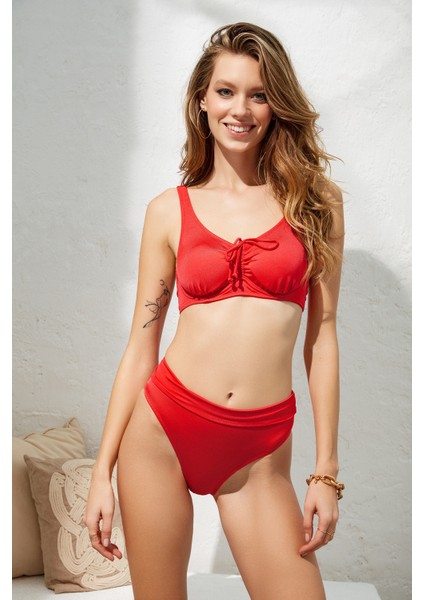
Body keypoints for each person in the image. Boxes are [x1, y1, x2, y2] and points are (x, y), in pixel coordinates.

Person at [84, 21, 345, 600]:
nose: (241, 109)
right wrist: (102, 472)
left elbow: (322, 337)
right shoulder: (168, 210)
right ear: (202, 100)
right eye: (226, 91)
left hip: (258, 449)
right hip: (162, 431)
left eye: (259, 94)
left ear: (277, 104)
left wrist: (326, 472)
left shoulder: (316, 203)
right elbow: (141, 347)